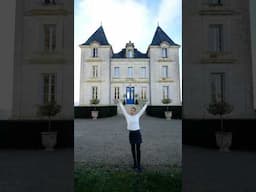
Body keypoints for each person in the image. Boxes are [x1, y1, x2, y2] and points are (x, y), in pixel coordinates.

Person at [117, 99, 149, 172]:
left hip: (137, 133)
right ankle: (134, 163)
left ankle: (139, 165)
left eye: (133, 110)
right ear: (130, 111)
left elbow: (142, 110)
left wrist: (146, 104)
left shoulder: (137, 116)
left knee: (138, 149)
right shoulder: (127, 116)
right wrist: (119, 103)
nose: (132, 111)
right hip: (131, 134)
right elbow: (123, 109)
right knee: (133, 149)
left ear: (135, 111)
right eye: (131, 110)